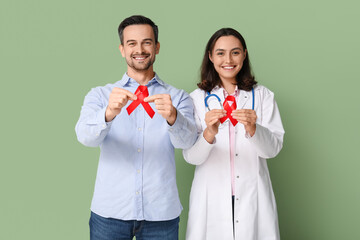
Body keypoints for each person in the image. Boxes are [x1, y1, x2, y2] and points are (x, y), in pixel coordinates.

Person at [75, 15, 197, 240]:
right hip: (110, 212)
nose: (139, 49)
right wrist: (108, 113)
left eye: (147, 42)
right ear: (122, 49)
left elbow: (188, 143)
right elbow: (84, 137)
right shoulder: (101, 95)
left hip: (161, 214)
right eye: (132, 43)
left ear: (157, 47)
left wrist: (173, 117)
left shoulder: (178, 98)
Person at [183, 28, 285, 240]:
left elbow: (272, 150)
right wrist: (209, 133)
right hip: (210, 196)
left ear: (244, 55)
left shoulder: (263, 96)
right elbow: (191, 157)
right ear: (210, 56)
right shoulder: (195, 99)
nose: (228, 59)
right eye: (220, 53)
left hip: (252, 194)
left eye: (235, 52)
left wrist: (253, 129)